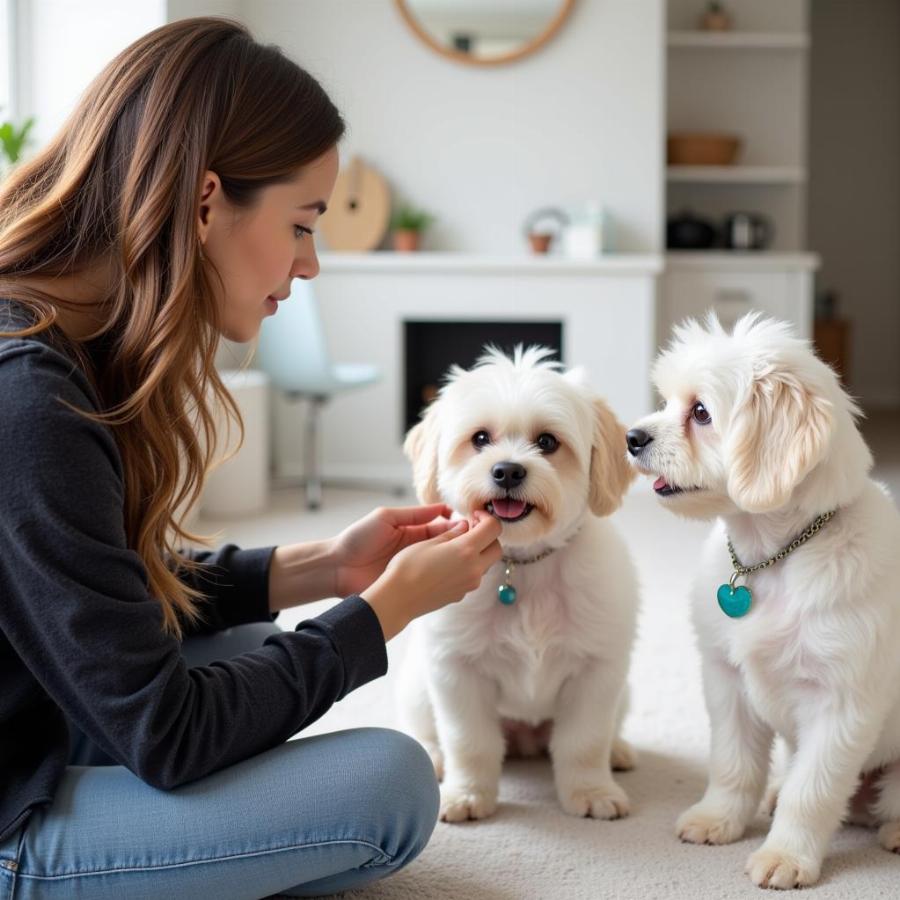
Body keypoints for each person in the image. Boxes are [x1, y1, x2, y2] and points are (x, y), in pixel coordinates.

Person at [0, 17, 503, 899]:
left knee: (244, 638)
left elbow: (99, 590)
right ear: (204, 203)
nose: (310, 265)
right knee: (388, 787)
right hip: (11, 809)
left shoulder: (61, 342)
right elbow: (170, 733)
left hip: (37, 712)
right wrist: (382, 612)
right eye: (303, 224)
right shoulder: (28, 402)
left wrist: (327, 566)